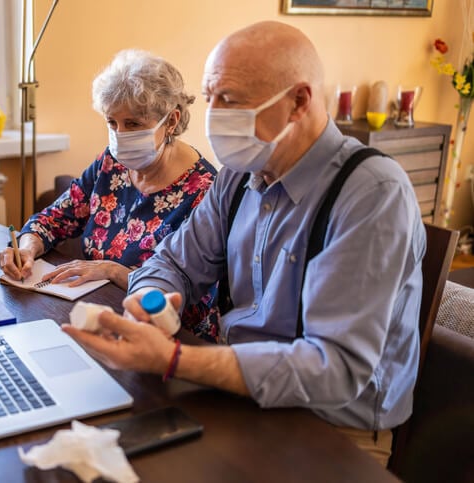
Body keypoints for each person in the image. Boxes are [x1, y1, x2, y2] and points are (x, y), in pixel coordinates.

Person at [62, 21, 425, 467]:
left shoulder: (371, 193)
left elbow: (335, 369)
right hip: (235, 394)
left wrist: (175, 359)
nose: (212, 114)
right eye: (209, 96)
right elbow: (174, 261)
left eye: (228, 100)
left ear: (298, 102)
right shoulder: (239, 176)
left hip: (332, 427)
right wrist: (148, 300)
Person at [0, 49, 219, 340]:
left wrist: (113, 271)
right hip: (97, 316)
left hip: (169, 338)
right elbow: (53, 219)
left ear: (171, 121)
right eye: (111, 122)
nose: (119, 134)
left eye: (134, 124)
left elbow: (191, 297)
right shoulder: (111, 164)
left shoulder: (205, 189)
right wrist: (27, 247)